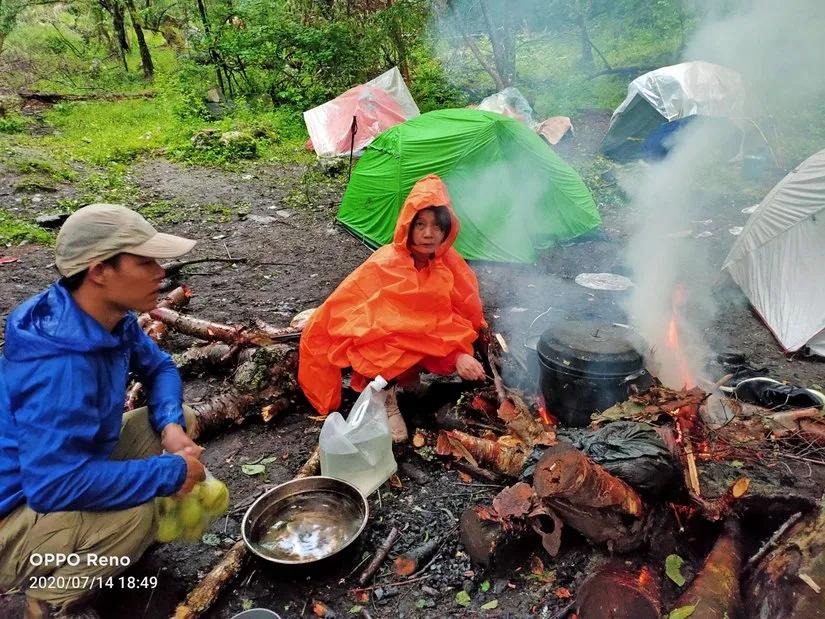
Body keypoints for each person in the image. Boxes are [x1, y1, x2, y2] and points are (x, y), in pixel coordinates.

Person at [0, 204, 206, 619]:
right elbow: (53, 487)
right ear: (99, 271)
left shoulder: (107, 316)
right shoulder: (60, 368)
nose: (160, 272)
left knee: (181, 418)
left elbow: (159, 367)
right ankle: (45, 602)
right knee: (134, 517)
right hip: (15, 510)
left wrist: (169, 424)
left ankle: (105, 544)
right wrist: (169, 473)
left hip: (60, 465)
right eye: (145, 262)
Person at [299, 175, 486, 441]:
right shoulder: (387, 263)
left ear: (447, 230)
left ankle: (408, 381)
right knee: (384, 343)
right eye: (420, 224)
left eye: (436, 226)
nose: (428, 234)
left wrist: (460, 353)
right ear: (408, 226)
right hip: (375, 337)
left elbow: (452, 315)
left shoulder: (446, 264)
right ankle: (385, 399)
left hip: (412, 336)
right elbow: (356, 310)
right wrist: (456, 354)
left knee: (416, 336)